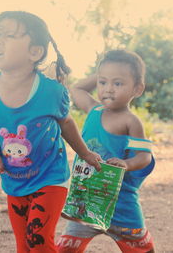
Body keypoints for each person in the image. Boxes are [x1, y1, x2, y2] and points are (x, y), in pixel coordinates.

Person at [0, 11, 102, 253]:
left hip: (50, 176)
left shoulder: (51, 92)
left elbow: (66, 124)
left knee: (39, 241)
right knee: (23, 246)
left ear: (35, 52)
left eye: (9, 36)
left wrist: (84, 154)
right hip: (15, 179)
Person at [57, 50, 155, 252]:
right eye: (103, 83)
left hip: (121, 204)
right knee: (66, 249)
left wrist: (127, 164)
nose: (108, 89)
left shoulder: (131, 121)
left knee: (141, 249)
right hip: (85, 200)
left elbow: (145, 157)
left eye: (117, 83)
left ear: (137, 88)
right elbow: (76, 89)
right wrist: (103, 73)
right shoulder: (93, 109)